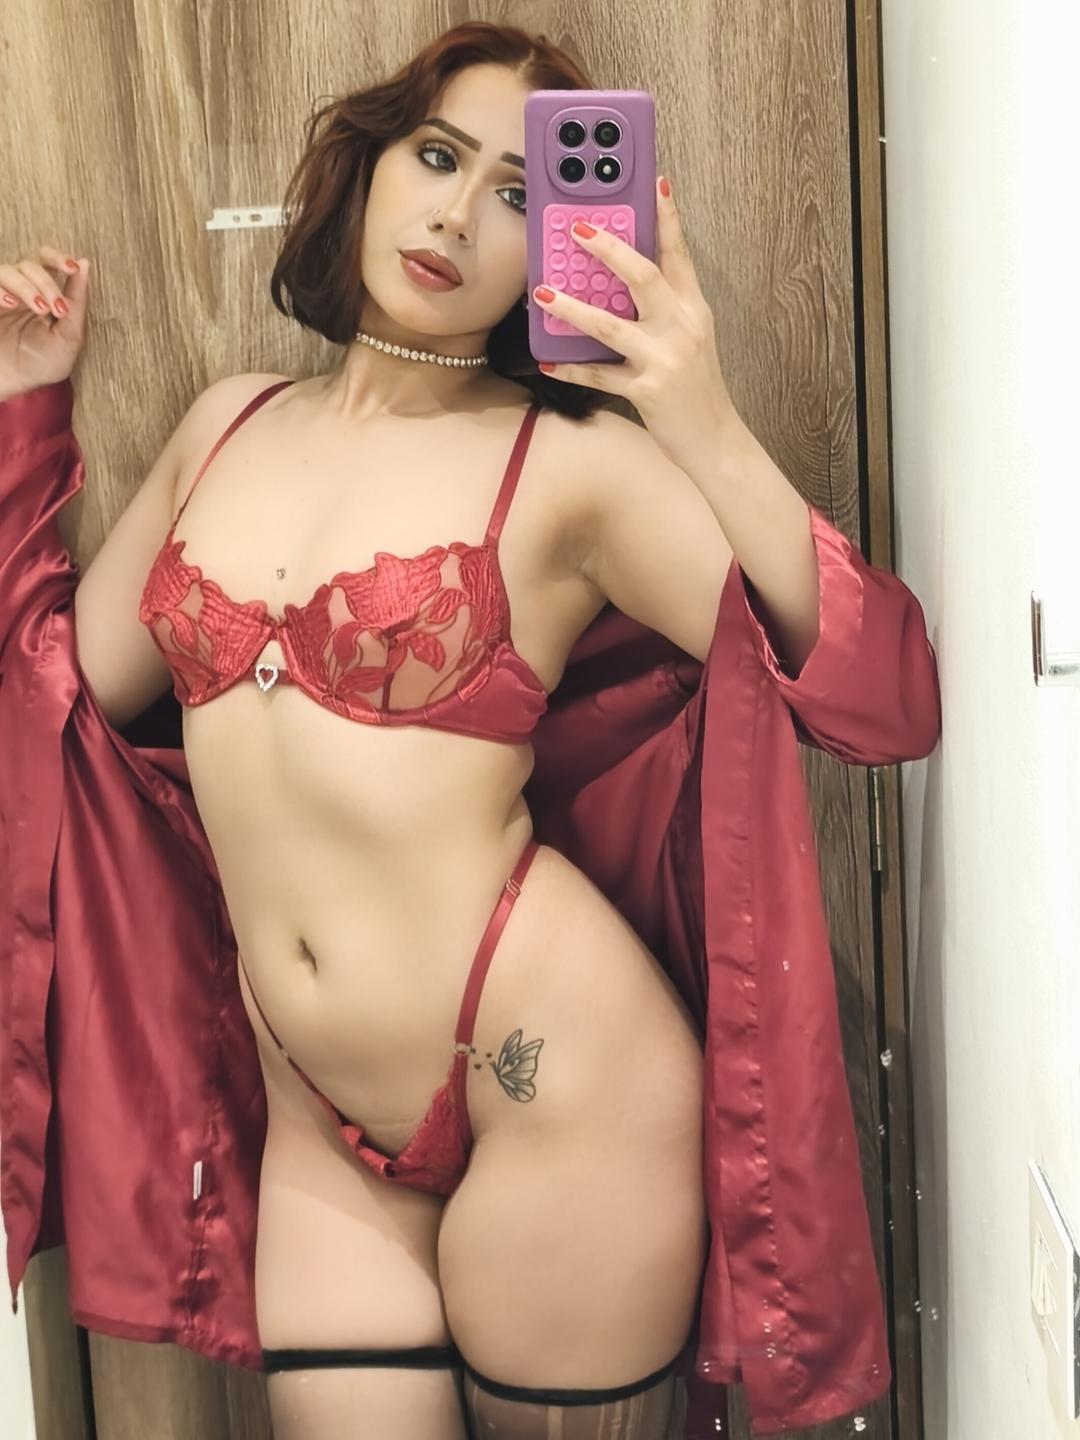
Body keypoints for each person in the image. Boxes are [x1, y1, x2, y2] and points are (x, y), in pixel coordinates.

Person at [0, 20, 941, 1440]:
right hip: (315, 1122)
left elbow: (884, 702)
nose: (454, 216)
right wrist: (26, 407)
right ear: (370, 165)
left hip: (562, 1090)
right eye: (438, 157)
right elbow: (60, 694)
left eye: (518, 193)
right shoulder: (224, 425)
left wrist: (698, 415)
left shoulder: (573, 467)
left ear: (568, 237)